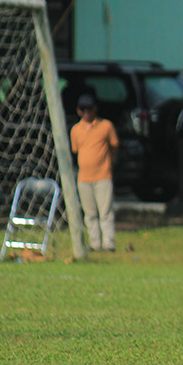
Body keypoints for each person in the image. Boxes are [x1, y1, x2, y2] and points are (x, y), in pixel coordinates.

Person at [70, 93, 119, 252]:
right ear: (79, 111)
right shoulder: (76, 130)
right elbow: (76, 150)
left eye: (89, 109)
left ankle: (109, 244)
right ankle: (95, 244)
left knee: (105, 212)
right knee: (90, 214)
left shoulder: (106, 126)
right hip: (84, 178)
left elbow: (114, 146)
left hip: (103, 175)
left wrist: (108, 163)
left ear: (95, 109)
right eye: (83, 109)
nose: (87, 113)